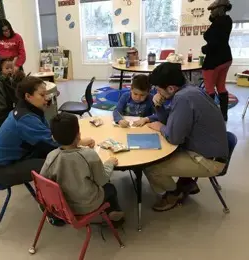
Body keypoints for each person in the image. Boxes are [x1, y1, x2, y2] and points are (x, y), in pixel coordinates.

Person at [143, 62, 229, 212]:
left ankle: (174, 193)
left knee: (150, 166)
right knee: (159, 153)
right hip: (208, 151)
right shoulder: (190, 90)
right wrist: (159, 106)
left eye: (158, 89)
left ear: (170, 88)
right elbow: (170, 122)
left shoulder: (183, 98)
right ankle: (186, 182)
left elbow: (174, 137)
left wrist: (160, 127)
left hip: (209, 161)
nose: (156, 92)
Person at [0, 76, 95, 188]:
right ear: (28, 96)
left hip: (14, 157)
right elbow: (51, 141)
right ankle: (70, 197)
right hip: (1, 169)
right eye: (42, 95)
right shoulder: (25, 118)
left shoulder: (26, 109)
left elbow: (48, 134)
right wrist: (79, 142)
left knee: (57, 156)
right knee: (58, 164)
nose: (47, 98)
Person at [41, 113, 125, 223]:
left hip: (63, 205)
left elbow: (44, 179)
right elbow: (102, 180)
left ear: (53, 137)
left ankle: (56, 217)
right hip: (87, 204)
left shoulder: (51, 156)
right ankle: (113, 212)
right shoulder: (89, 155)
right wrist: (109, 163)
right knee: (110, 188)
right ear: (78, 136)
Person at [201, 0, 233, 121]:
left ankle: (210, 117)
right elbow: (221, 40)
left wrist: (204, 49)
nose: (211, 12)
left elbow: (214, 43)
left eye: (212, 10)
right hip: (226, 58)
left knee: (209, 89)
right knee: (221, 87)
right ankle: (223, 115)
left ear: (219, 9)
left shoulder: (218, 23)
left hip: (214, 60)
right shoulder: (227, 20)